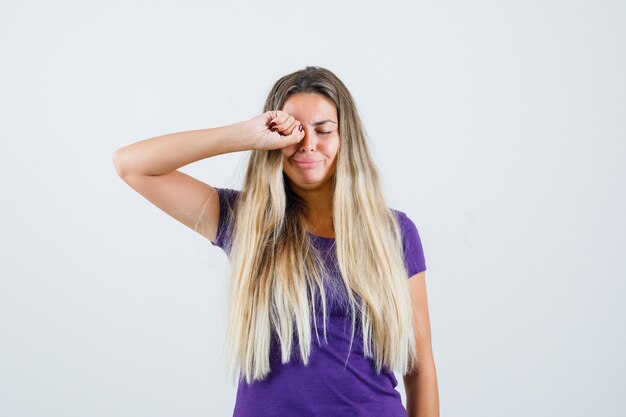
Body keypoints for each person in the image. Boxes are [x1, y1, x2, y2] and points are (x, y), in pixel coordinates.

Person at [112, 66, 439, 417]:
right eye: (294, 131)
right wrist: (245, 134)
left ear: (347, 138)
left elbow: (419, 370)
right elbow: (132, 165)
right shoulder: (246, 221)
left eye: (324, 130)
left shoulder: (393, 232)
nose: (308, 144)